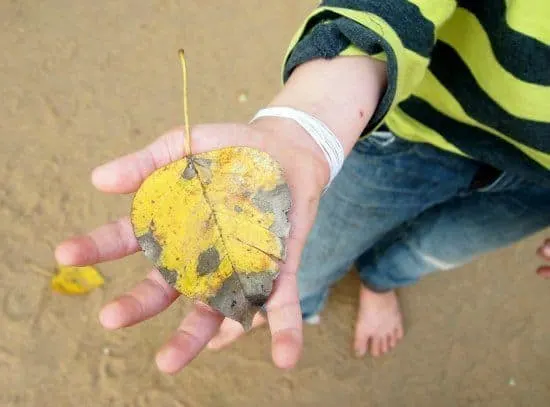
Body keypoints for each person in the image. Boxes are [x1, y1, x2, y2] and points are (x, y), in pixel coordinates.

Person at [55, 0, 550, 374]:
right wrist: (309, 121)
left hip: (538, 190)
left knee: (439, 247)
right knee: (316, 242)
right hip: (409, 125)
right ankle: (285, 297)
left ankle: (381, 282)